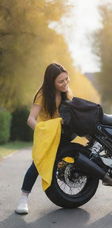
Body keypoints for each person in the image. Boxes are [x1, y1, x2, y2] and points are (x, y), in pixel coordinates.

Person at [15, 63, 72, 215]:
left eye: (66, 79)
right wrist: (43, 131)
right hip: (46, 136)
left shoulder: (67, 93)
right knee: (37, 165)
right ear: (51, 82)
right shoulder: (42, 95)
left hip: (62, 135)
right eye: (61, 81)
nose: (65, 83)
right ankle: (23, 198)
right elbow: (30, 119)